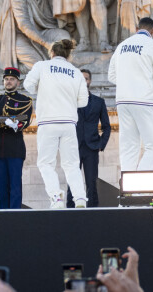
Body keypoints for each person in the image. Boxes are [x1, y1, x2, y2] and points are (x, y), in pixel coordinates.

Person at [24, 39, 88, 208]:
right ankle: (80, 198)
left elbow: (28, 85)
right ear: (67, 54)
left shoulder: (41, 66)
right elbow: (83, 102)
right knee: (72, 165)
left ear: (51, 53)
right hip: (68, 122)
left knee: (45, 163)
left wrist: (42, 89)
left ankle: (56, 197)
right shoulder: (76, 72)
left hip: (48, 122)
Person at [108, 17, 153, 171]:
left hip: (123, 101)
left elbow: (111, 76)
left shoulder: (122, 46)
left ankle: (127, 185)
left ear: (137, 28)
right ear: (152, 31)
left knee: (129, 146)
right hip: (145, 100)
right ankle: (139, 184)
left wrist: (127, 83)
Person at [0, 67, 33, 209]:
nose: (8, 82)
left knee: (15, 186)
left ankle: (15, 215)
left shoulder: (24, 100)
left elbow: (24, 122)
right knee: (0, 186)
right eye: (6, 79)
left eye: (12, 79)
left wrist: (13, 123)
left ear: (18, 83)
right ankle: (2, 216)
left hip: (15, 147)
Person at [66, 69, 111, 208]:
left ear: (89, 81)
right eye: (81, 78)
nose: (83, 81)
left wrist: (101, 144)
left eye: (86, 78)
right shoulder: (69, 101)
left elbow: (107, 126)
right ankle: (69, 212)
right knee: (72, 182)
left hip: (92, 148)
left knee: (92, 183)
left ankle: (93, 213)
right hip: (74, 147)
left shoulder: (99, 102)